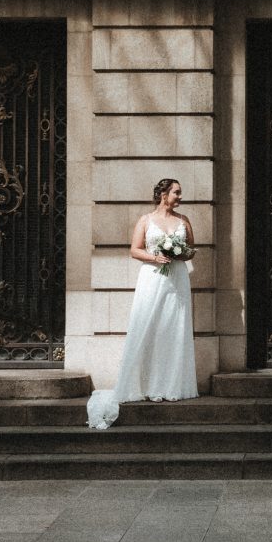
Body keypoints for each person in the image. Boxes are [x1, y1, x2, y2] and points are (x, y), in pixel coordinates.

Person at [87, 178, 199, 429]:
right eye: (176, 192)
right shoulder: (145, 220)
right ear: (163, 194)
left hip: (177, 279)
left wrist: (180, 252)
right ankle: (146, 385)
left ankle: (172, 385)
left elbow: (192, 249)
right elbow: (134, 250)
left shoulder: (184, 221)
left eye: (180, 193)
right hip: (152, 277)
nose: (180, 197)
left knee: (174, 329)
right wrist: (155, 256)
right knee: (150, 328)